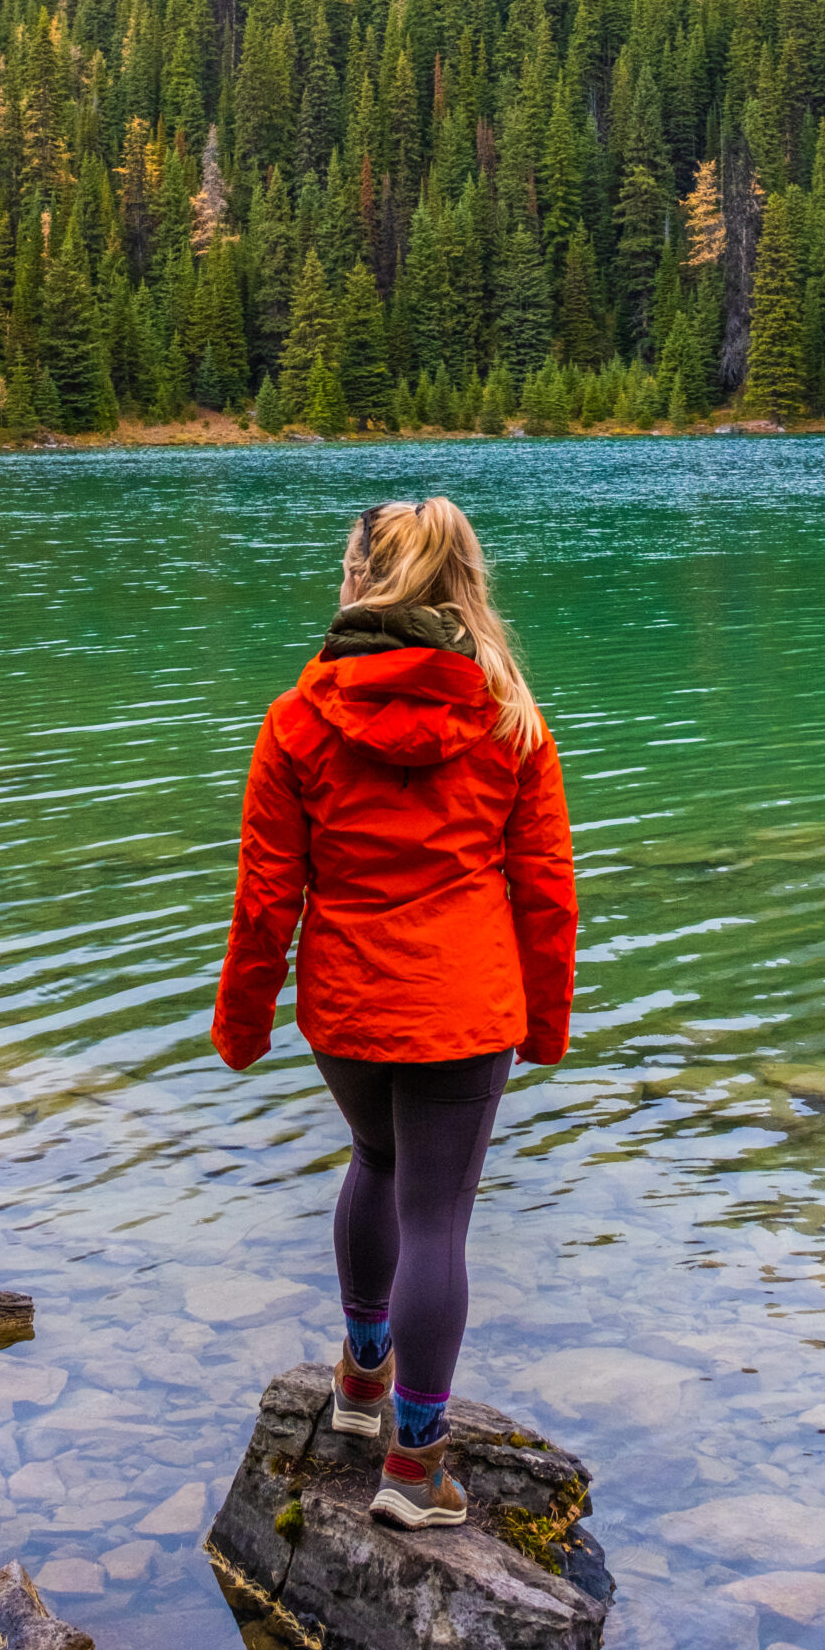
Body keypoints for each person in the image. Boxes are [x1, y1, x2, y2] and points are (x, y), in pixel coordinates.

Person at [211, 496, 577, 1531]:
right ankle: (418, 1469)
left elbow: (265, 894)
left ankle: (362, 1380)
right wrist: (545, 1020)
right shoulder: (509, 716)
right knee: (436, 1217)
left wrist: (242, 1022)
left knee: (376, 1161)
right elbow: (546, 886)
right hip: (464, 1010)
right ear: (462, 581)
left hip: (349, 1005)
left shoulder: (299, 717)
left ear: (362, 582)